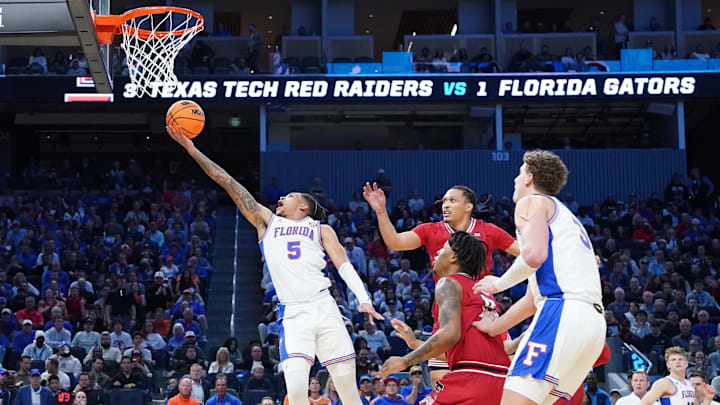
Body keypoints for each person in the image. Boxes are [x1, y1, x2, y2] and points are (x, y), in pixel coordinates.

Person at [167, 125, 383, 405]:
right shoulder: (266, 222)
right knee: (295, 392)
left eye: (290, 197)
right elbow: (228, 183)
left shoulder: (320, 229)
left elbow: (343, 266)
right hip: (293, 314)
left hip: (325, 308)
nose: (281, 198)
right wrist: (192, 149)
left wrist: (363, 299)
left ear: (304, 207)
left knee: (350, 394)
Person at [475, 150, 606, 405]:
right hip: (591, 325)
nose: (515, 179)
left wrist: (498, 283)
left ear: (529, 177)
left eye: (519, 173)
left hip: (562, 311)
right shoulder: (568, 217)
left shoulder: (531, 202)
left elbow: (534, 256)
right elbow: (532, 299)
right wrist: (494, 328)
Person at [364, 183, 519, 386]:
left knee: (495, 376)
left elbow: (528, 256)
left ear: (468, 206)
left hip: (481, 309)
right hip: (449, 309)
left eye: (452, 200)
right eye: (444, 201)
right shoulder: (432, 229)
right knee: (444, 385)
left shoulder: (488, 231)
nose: (445, 205)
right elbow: (396, 242)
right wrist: (382, 212)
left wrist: (502, 282)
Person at [381, 231, 509, 405]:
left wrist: (406, 360)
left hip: (471, 378)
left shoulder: (449, 283)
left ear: (454, 257)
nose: (437, 254)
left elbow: (450, 334)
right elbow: (467, 351)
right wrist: (414, 343)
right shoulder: (484, 294)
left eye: (442, 250)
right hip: (500, 381)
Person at [639, 346, 709, 404]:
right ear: (668, 364)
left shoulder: (689, 384)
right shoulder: (664, 383)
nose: (677, 362)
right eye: (673, 360)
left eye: (680, 359)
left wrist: (708, 399)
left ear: (686, 363)